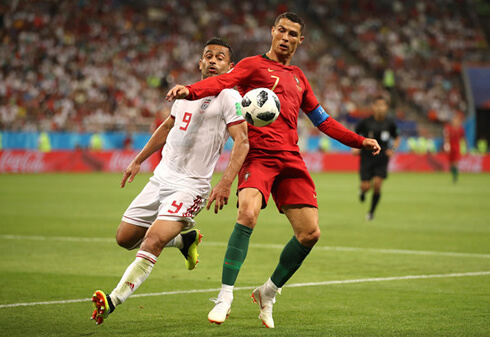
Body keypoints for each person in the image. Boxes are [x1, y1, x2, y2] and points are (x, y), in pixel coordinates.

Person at [167, 12, 380, 329]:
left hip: (291, 159)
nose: (286, 37)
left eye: (293, 33)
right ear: (272, 32)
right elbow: (223, 81)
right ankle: (225, 296)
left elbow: (322, 120)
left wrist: (358, 140)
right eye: (281, 30)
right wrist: (192, 89)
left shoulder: (299, 78)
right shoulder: (253, 65)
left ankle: (268, 291)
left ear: (300, 40)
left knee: (310, 233)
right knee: (248, 213)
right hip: (258, 157)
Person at [91, 37, 249, 325]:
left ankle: (113, 300)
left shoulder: (230, 97)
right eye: (208, 56)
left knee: (152, 240)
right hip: (161, 178)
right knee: (124, 238)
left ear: (231, 66)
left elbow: (243, 141)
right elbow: (168, 125)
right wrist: (138, 159)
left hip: (191, 187)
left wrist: (225, 183)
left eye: (220, 57)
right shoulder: (185, 94)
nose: (213, 60)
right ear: (200, 63)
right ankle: (184, 240)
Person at [354, 95, 400, 221]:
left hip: (382, 158)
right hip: (366, 157)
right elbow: (355, 134)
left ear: (386, 107)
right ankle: (362, 192)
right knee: (366, 186)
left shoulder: (390, 123)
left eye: (382, 105)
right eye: (378, 105)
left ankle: (371, 213)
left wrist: (393, 149)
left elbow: (397, 137)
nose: (380, 108)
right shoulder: (366, 122)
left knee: (378, 184)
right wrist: (354, 147)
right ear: (373, 107)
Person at [443, 114, 466, 183]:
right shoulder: (448, 128)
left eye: (457, 120)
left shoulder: (461, 129)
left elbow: (462, 138)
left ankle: (455, 177)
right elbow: (446, 137)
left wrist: (464, 146)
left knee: (456, 162)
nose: (456, 121)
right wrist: (446, 145)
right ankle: (454, 175)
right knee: (451, 163)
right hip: (450, 145)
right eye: (455, 120)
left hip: (457, 146)